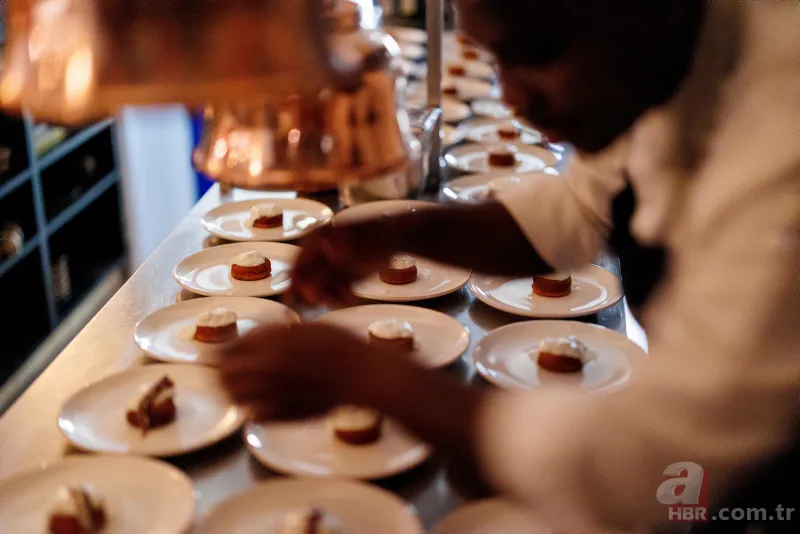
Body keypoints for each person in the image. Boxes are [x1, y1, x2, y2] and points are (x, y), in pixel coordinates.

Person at [220, 1, 799, 531]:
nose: (515, 99)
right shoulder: (664, 59)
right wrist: (397, 232)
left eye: (538, 54)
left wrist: (363, 378)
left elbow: (650, 462)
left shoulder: (780, 142)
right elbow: (577, 207)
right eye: (497, 61)